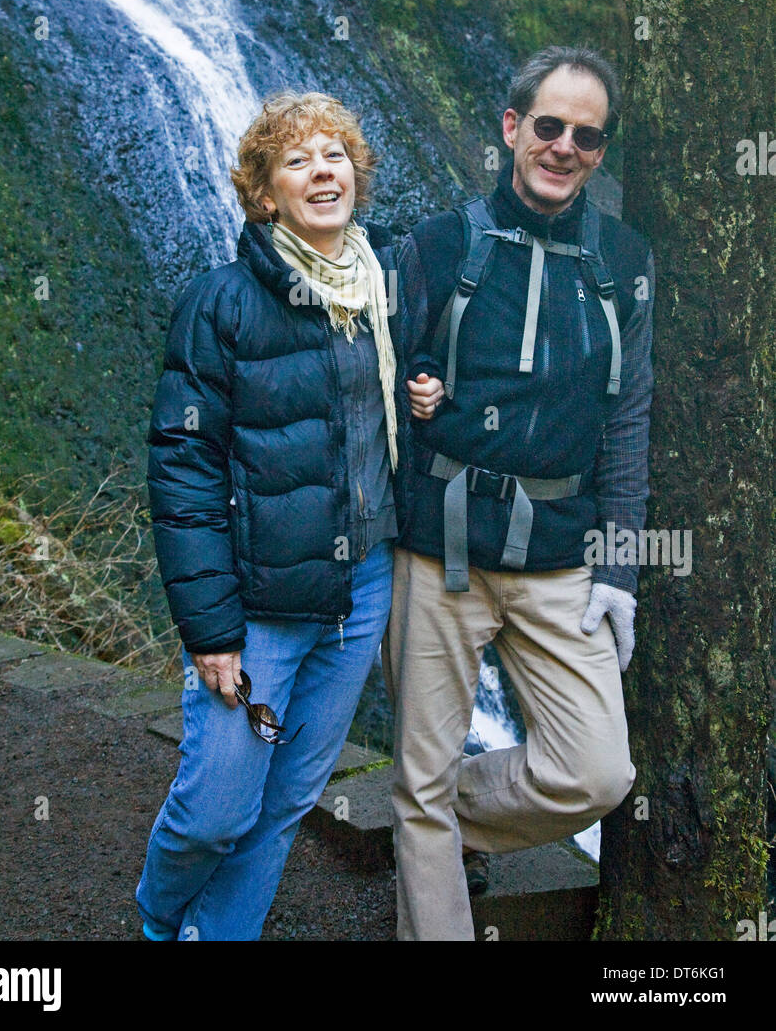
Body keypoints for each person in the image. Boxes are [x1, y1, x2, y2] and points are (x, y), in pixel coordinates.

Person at [386, 45, 655, 941]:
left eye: (587, 135)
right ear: (512, 128)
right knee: (419, 777)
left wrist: (619, 567)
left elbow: (629, 418)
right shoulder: (438, 244)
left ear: (600, 150)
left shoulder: (622, 261)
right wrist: (417, 385)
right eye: (549, 126)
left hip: (559, 556)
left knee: (596, 774)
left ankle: (433, 813)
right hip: (440, 549)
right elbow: (373, 380)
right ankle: (423, 822)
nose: (564, 146)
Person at [135, 90, 404, 941]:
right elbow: (182, 469)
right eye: (297, 160)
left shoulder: (383, 291)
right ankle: (156, 917)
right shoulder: (219, 304)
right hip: (257, 612)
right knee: (218, 807)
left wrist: (425, 388)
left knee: (285, 800)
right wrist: (211, 629)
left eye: (335, 156)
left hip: (361, 588)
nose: (322, 171)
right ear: (264, 194)